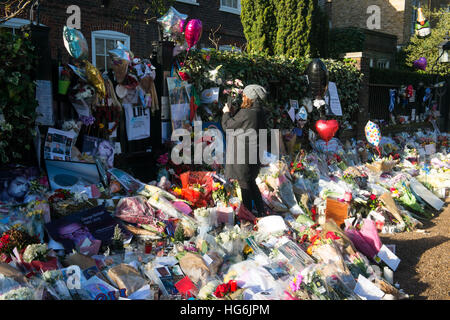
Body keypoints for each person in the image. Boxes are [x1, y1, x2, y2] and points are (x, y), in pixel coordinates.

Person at [221, 84, 267, 217]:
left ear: (250, 97)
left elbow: (228, 126)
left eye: (245, 96)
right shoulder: (260, 112)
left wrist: (226, 113)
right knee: (251, 182)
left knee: (244, 185)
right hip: (254, 153)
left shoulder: (247, 113)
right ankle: (260, 211)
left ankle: (248, 215)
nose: (243, 98)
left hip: (243, 155)